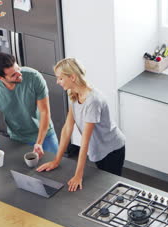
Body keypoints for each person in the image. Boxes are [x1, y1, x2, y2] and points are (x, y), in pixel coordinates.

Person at [37, 58, 126, 192]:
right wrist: (56, 160)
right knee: (102, 185)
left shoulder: (93, 101)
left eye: (60, 78)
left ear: (72, 77)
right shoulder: (74, 93)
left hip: (111, 149)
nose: (57, 82)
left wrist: (78, 175)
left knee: (111, 188)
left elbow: (85, 139)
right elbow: (67, 128)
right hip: (98, 147)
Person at [0, 52, 58, 159]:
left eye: (18, 69)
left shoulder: (34, 77)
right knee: (25, 172)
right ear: (0, 77)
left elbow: (44, 112)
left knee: (55, 167)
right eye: (13, 75)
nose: (19, 74)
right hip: (17, 138)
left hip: (44, 134)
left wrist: (39, 142)